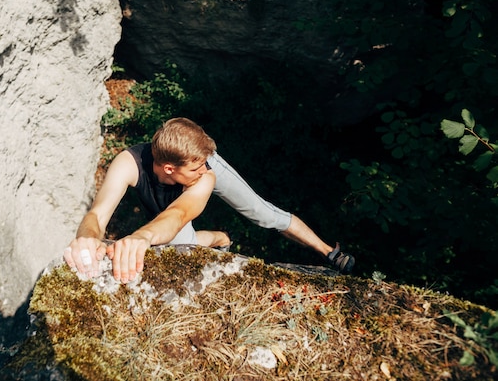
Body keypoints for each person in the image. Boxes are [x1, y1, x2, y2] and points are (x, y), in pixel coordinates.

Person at [64, 118, 354, 283]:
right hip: (170, 206)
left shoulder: (206, 172)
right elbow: (97, 216)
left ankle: (327, 250)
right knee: (181, 244)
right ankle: (220, 238)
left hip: (175, 207)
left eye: (206, 164)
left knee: (262, 213)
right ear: (169, 169)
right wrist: (87, 239)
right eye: (196, 168)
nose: (205, 172)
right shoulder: (129, 163)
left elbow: (179, 213)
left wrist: (141, 237)